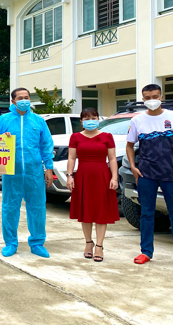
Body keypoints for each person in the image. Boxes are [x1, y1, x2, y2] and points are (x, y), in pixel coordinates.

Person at [126, 84, 173, 269]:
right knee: (146, 214)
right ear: (143, 99)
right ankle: (145, 252)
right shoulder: (137, 120)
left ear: (161, 96)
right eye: (147, 97)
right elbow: (129, 145)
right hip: (146, 174)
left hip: (172, 174)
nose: (151, 100)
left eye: (155, 96)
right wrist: (133, 167)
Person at [0, 87, 54, 258]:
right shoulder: (4, 120)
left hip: (34, 172)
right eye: (20, 97)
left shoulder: (38, 121)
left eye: (27, 97)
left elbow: (46, 145)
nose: (24, 100)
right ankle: (10, 243)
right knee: (10, 207)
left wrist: (48, 167)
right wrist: (2, 137)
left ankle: (37, 243)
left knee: (37, 207)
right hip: (12, 172)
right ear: (13, 101)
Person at [66, 108, 120, 262]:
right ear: (81, 121)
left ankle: (100, 246)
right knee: (86, 211)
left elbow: (113, 159)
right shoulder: (75, 137)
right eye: (87, 118)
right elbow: (71, 158)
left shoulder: (107, 137)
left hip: (103, 176)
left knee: (101, 212)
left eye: (94, 117)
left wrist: (114, 177)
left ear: (98, 119)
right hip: (83, 176)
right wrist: (70, 176)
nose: (91, 120)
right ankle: (88, 243)